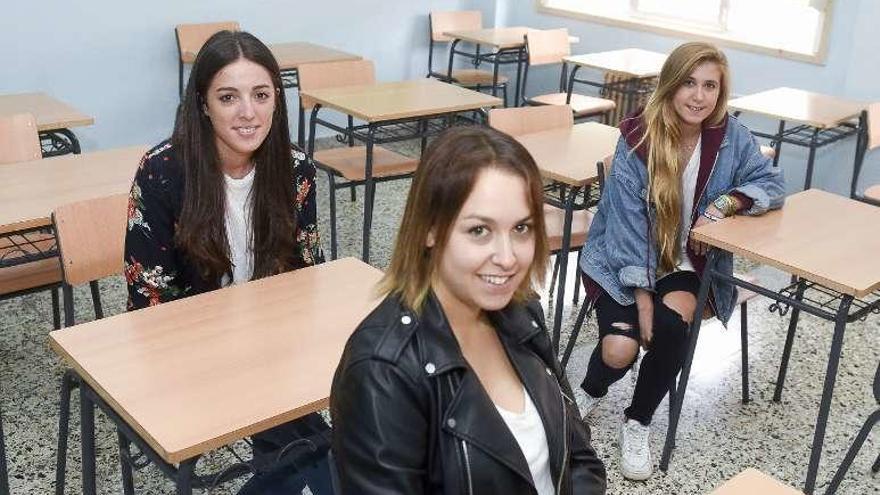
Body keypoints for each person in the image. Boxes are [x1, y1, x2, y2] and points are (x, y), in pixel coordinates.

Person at [330, 126, 607, 494]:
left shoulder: (522, 312)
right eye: (479, 231)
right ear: (430, 229)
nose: (508, 258)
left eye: (522, 228)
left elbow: (579, 456)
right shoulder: (383, 371)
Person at [123, 30, 330, 494]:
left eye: (260, 95)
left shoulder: (296, 169)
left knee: (326, 444)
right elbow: (149, 302)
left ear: (277, 98)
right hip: (190, 353)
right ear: (203, 104)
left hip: (272, 345)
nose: (247, 112)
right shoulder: (162, 171)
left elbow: (309, 276)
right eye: (228, 97)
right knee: (321, 451)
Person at [575, 41, 785, 481]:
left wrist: (728, 202)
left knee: (674, 330)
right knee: (620, 349)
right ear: (670, 84)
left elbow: (769, 182)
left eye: (710, 85)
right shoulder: (638, 135)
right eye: (689, 82)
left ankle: (638, 421)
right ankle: (586, 393)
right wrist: (644, 302)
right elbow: (628, 229)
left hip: (686, 264)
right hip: (622, 260)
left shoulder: (730, 137)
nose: (699, 95)